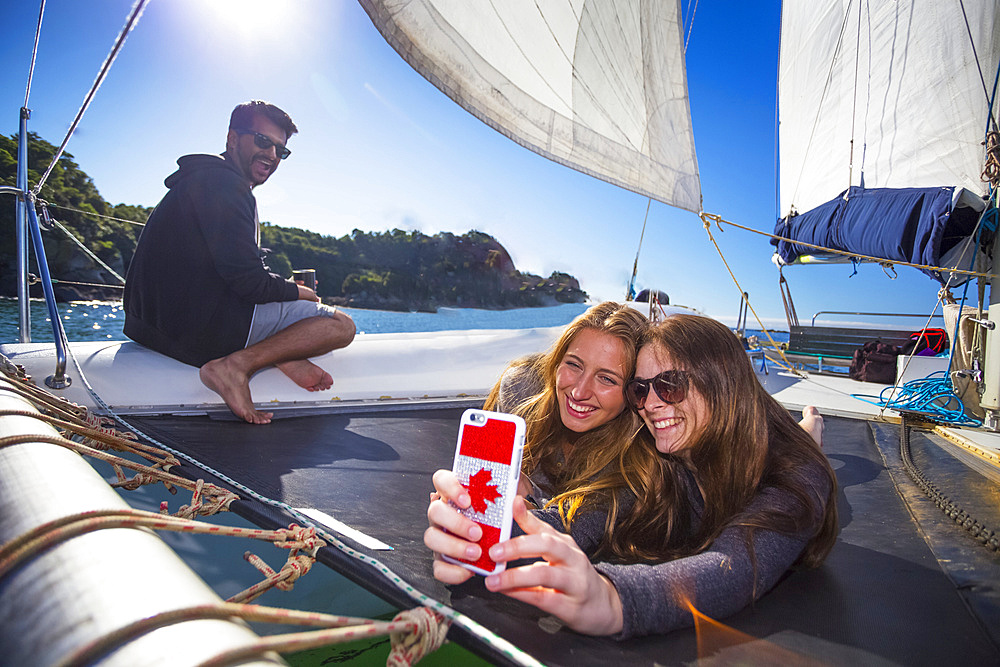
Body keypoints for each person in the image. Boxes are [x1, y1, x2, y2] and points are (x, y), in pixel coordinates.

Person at [426, 313, 836, 638]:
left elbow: (733, 565)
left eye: (671, 384)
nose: (652, 404)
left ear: (721, 383)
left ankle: (810, 430)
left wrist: (613, 598)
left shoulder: (794, 473)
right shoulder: (652, 451)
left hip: (770, 441)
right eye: (641, 389)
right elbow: (575, 518)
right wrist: (483, 529)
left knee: (801, 439)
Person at [123, 101, 355, 425]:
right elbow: (250, 283)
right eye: (263, 141)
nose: (272, 155)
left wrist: (283, 293)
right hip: (191, 329)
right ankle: (236, 366)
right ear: (233, 138)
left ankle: (281, 356)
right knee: (341, 326)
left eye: (281, 151)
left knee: (286, 304)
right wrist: (300, 293)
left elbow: (233, 273)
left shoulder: (204, 180)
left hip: (152, 323)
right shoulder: (225, 185)